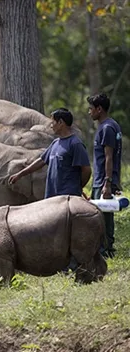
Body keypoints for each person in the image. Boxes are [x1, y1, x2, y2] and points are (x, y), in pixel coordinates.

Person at [8, 108, 91, 198]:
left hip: (67, 198)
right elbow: (41, 161)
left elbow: (86, 170)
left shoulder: (75, 144)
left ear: (61, 123)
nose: (51, 126)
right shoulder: (55, 143)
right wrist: (20, 174)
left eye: (53, 122)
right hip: (51, 197)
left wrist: (77, 188)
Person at [87, 93, 123, 258]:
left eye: (91, 109)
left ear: (99, 109)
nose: (89, 112)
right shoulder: (109, 125)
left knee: (103, 217)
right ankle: (104, 248)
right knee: (103, 215)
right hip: (103, 179)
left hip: (103, 180)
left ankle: (106, 250)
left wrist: (108, 183)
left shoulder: (107, 127)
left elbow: (109, 157)